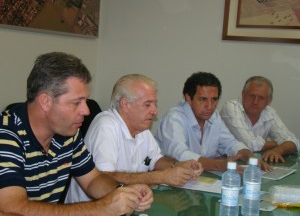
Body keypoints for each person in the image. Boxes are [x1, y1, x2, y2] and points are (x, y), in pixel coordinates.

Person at [0, 52, 153, 216]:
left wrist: (123, 192)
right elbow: (11, 209)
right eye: (76, 103)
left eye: (85, 101)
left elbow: (93, 180)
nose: (86, 110)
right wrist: (101, 208)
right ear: (45, 101)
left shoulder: (67, 133)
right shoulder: (6, 135)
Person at [65, 74, 203, 203]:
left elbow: (156, 160)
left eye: (155, 104)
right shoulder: (106, 125)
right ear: (125, 104)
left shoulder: (141, 127)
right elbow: (103, 178)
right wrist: (161, 177)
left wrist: (177, 165)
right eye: (148, 104)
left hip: (128, 205)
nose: (155, 111)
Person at [155, 72, 269, 172]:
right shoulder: (174, 118)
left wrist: (250, 157)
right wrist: (219, 165)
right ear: (188, 98)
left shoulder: (213, 116)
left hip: (199, 178)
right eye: (203, 99)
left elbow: (231, 144)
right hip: (169, 181)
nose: (209, 106)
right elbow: (179, 154)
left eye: (214, 99)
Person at [220, 76, 300, 163]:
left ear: (269, 100)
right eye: (252, 96)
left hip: (254, 163)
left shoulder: (269, 112)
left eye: (261, 98)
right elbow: (249, 144)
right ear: (243, 94)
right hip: (225, 162)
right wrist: (280, 143)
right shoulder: (231, 108)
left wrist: (278, 150)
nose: (255, 102)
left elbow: (294, 141)